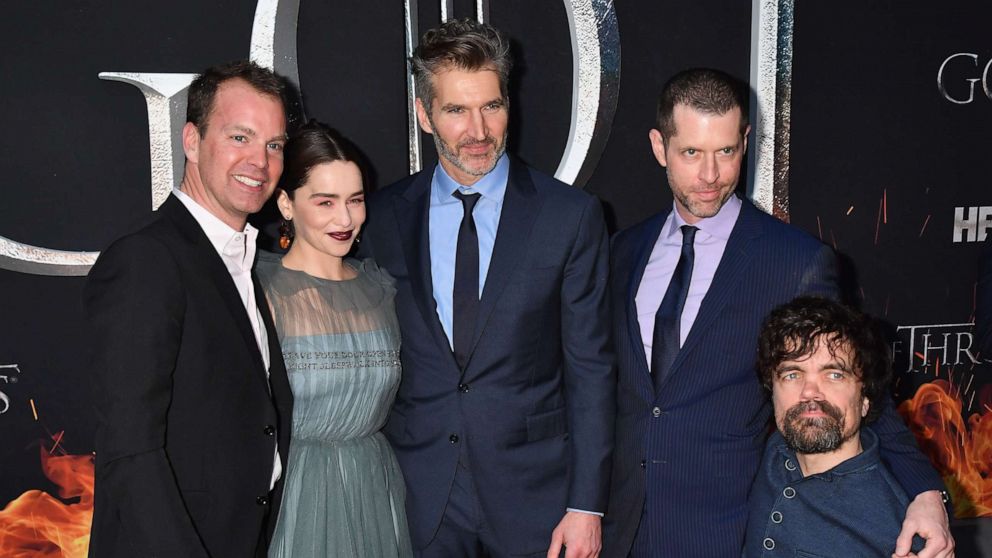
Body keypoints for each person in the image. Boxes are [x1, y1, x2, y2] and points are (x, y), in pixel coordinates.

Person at [602, 68, 953, 558]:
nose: (710, 175)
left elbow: (856, 388)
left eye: (726, 151)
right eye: (691, 153)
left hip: (725, 532)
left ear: (746, 141)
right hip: (616, 530)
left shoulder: (795, 262)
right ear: (660, 147)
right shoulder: (622, 251)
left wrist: (926, 492)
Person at [359, 19, 614, 558]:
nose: (478, 130)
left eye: (492, 106)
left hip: (536, 500)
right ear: (425, 114)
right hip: (417, 496)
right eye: (455, 110)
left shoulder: (569, 217)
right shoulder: (380, 219)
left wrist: (586, 506)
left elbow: (591, 368)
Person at [84, 60, 293, 557]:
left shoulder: (250, 259)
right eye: (240, 137)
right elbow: (131, 452)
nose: (259, 162)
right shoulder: (146, 260)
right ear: (192, 141)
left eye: (274, 145)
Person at [257, 121, 413, 557]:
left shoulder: (381, 288)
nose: (345, 219)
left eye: (355, 200)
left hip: (374, 490)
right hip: (294, 496)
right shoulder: (260, 292)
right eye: (325, 202)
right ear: (286, 203)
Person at [745, 296, 925, 556]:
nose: (810, 393)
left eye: (834, 375)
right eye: (792, 374)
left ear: (865, 399)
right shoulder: (770, 455)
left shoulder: (899, 531)